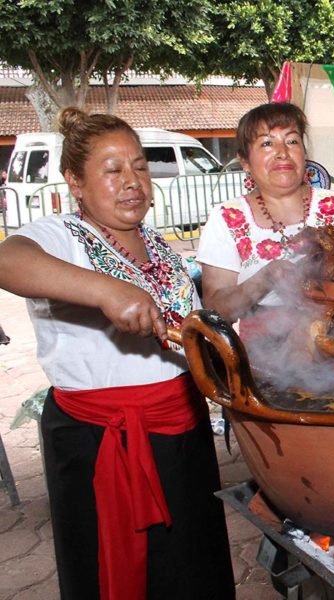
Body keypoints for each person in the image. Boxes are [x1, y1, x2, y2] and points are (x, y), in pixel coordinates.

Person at [0, 108, 234, 600]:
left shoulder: (158, 245)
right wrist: (105, 290)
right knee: (123, 575)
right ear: (75, 182)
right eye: (113, 170)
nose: (133, 182)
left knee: (192, 566)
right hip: (101, 439)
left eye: (140, 166)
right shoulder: (60, 236)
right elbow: (7, 260)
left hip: (182, 432)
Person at [196, 102, 334, 324]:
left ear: (304, 154)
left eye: (292, 141)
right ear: (245, 161)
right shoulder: (227, 218)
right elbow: (215, 309)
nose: (282, 153)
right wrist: (265, 279)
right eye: (267, 143)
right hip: (266, 352)